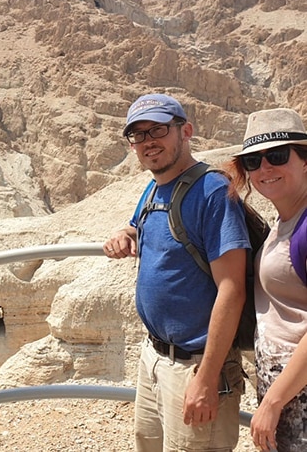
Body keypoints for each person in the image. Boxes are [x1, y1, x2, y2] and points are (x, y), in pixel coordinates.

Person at [103, 93, 250, 451]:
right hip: (154, 359)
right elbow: (144, 225)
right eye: (138, 135)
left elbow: (232, 289)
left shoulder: (213, 192)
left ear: (186, 131)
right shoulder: (156, 187)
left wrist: (206, 379)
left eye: (158, 130)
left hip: (195, 367)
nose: (148, 141)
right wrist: (127, 232)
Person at [227, 108, 307, 452]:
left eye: (277, 155)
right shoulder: (284, 219)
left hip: (296, 395)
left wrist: (273, 402)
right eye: (253, 162)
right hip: (287, 390)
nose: (264, 169)